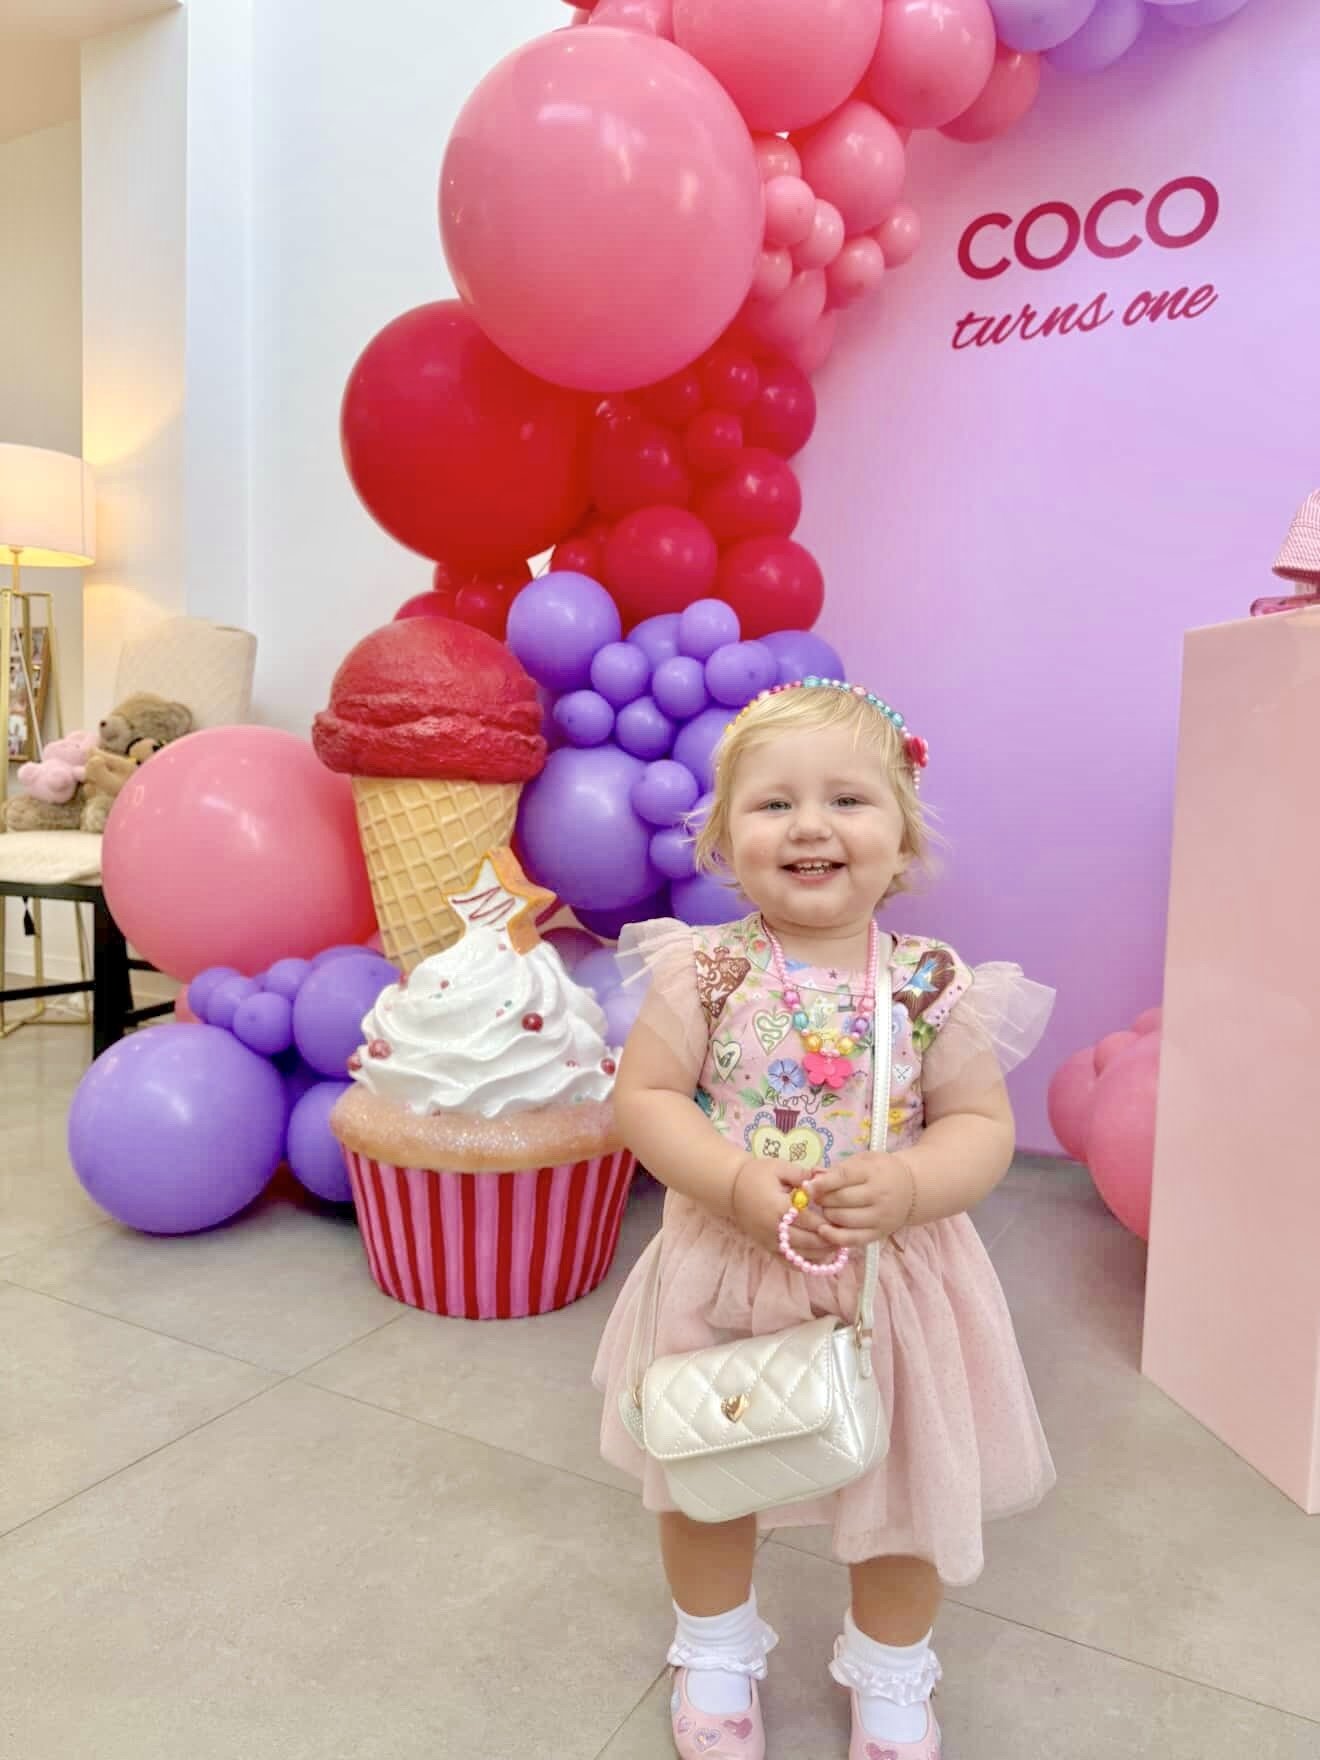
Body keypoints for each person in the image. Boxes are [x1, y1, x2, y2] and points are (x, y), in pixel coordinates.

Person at [593, 678, 1056, 1760]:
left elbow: (981, 1122)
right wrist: (730, 1178)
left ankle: (893, 1669)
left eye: (848, 799)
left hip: (892, 1279)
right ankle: (713, 1644)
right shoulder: (703, 970)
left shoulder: (932, 984)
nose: (809, 824)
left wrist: (911, 1184)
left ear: (902, 840)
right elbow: (647, 1097)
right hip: (728, 1264)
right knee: (707, 1468)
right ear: (722, 837)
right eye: (772, 804)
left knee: (905, 1481)